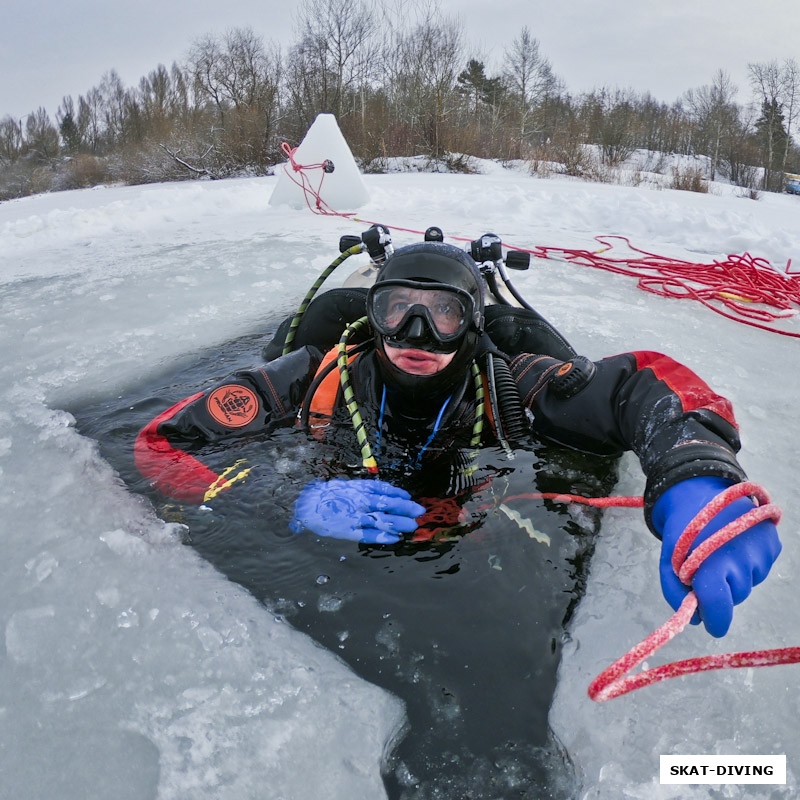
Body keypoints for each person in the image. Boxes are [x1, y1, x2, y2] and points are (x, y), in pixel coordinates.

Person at [135, 239, 781, 639]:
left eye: (443, 314)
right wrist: (286, 506)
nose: (417, 335)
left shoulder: (504, 385)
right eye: (398, 311)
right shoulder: (317, 375)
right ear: (374, 313)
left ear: (471, 325)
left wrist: (693, 471)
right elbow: (160, 444)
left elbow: (634, 387)